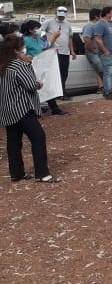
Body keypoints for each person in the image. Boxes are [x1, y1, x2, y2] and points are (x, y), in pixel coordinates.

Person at [1, 33, 59, 183]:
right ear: (16, 50)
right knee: (38, 138)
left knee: (13, 142)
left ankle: (16, 173)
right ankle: (42, 173)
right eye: (22, 47)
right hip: (22, 109)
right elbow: (31, 85)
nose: (24, 49)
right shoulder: (20, 66)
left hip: (7, 110)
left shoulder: (3, 66)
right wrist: (38, 83)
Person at [20, 20, 68, 116]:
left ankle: (53, 108)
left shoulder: (38, 38)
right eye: (37, 28)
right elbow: (21, 53)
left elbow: (46, 46)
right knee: (35, 88)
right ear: (30, 30)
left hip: (40, 67)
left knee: (46, 87)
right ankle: (43, 109)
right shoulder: (25, 40)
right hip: (31, 68)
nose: (39, 30)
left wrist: (54, 41)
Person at [42, 6, 76, 102]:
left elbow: (70, 38)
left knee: (64, 73)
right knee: (56, 74)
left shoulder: (68, 24)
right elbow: (40, 33)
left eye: (63, 16)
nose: (61, 17)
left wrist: (72, 51)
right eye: (59, 15)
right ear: (56, 14)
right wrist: (47, 46)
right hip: (53, 53)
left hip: (65, 52)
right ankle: (57, 93)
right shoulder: (48, 23)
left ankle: (62, 92)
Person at [92, 6, 112, 100]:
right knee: (108, 72)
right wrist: (105, 50)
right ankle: (107, 91)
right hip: (107, 54)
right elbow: (98, 39)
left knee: (111, 72)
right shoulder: (100, 24)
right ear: (107, 13)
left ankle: (110, 90)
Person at [80, 8, 105, 94]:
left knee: (99, 69)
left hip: (99, 51)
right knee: (101, 69)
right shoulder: (89, 26)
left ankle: (101, 87)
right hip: (92, 52)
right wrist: (93, 49)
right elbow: (86, 39)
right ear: (96, 17)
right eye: (101, 15)